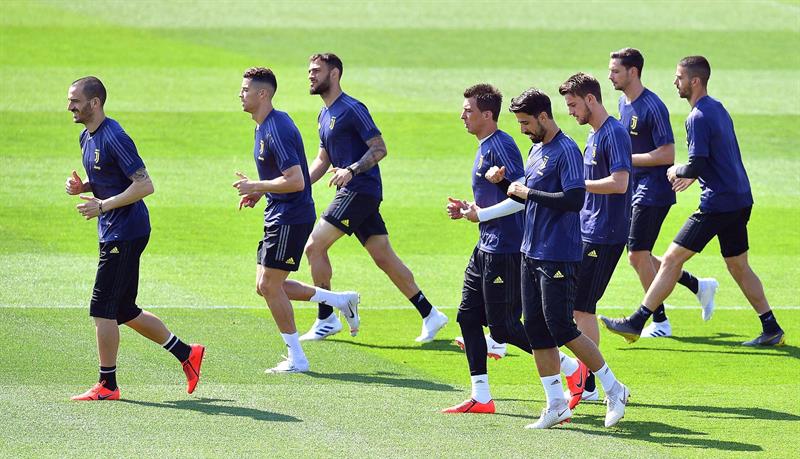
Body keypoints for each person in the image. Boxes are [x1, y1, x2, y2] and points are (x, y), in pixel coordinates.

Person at [600, 56, 786, 347]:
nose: (675, 82)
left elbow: (697, 163)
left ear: (694, 81)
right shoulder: (717, 109)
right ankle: (771, 327)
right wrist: (695, 175)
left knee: (672, 258)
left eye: (679, 78)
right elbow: (719, 158)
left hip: (717, 204)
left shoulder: (696, 117)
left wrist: (678, 171)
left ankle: (639, 320)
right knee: (738, 265)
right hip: (739, 198)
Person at [483, 88, 629, 428]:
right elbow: (530, 195)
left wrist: (527, 191)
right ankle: (555, 405)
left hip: (559, 254)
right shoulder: (536, 149)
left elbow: (574, 199)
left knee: (562, 326)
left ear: (544, 117)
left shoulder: (566, 151)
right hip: (531, 251)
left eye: (525, 122)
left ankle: (613, 387)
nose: (522, 129)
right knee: (535, 328)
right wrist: (506, 182)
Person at [65, 76, 204, 401]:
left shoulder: (115, 136)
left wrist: (102, 205)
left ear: (94, 103)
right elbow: (106, 177)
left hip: (125, 231)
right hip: (117, 229)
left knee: (102, 309)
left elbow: (144, 185)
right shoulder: (86, 137)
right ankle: (187, 353)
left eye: (75, 100)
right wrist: (84, 187)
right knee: (124, 309)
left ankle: (108, 385)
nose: (69, 106)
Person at [301, 53, 448, 342]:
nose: (310, 75)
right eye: (309, 71)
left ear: (335, 74)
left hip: (359, 190)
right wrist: (296, 186)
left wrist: (351, 171)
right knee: (383, 257)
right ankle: (431, 314)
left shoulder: (352, 109)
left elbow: (380, 148)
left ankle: (326, 317)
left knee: (313, 247)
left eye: (317, 70)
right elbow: (322, 159)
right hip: (357, 191)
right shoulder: (324, 114)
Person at [234, 67, 360, 373]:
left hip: (290, 216)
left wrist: (258, 186)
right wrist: (259, 193)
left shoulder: (276, 127)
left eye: (246, 89)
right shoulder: (262, 127)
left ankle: (297, 358)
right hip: (277, 212)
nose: (241, 94)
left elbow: (297, 180)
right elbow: (283, 177)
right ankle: (340, 300)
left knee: (269, 284)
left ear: (263, 94)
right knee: (264, 286)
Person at [609, 48, 718, 339]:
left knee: (636, 255)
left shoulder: (652, 106)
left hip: (654, 190)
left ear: (633, 72)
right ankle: (699, 286)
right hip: (635, 188)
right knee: (642, 256)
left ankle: (659, 321)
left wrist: (626, 159)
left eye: (615, 71)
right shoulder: (623, 102)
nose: (610, 76)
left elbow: (667, 153)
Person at [441, 84, 532, 414]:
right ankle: (481, 395)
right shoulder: (484, 146)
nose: (462, 115)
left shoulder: (502, 145)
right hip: (486, 245)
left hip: (506, 249)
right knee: (466, 316)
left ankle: (570, 368)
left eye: (468, 110)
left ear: (487, 115)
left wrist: (481, 214)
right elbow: (495, 198)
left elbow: (521, 197)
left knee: (505, 328)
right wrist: (468, 208)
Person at [557, 72, 632, 401]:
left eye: (573, 105)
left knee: (582, 309)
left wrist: (578, 185)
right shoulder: (594, 134)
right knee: (579, 308)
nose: (571, 112)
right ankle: (587, 381)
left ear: (591, 99)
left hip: (605, 233)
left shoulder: (613, 133)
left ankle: (587, 384)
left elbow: (620, 183)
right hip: (589, 229)